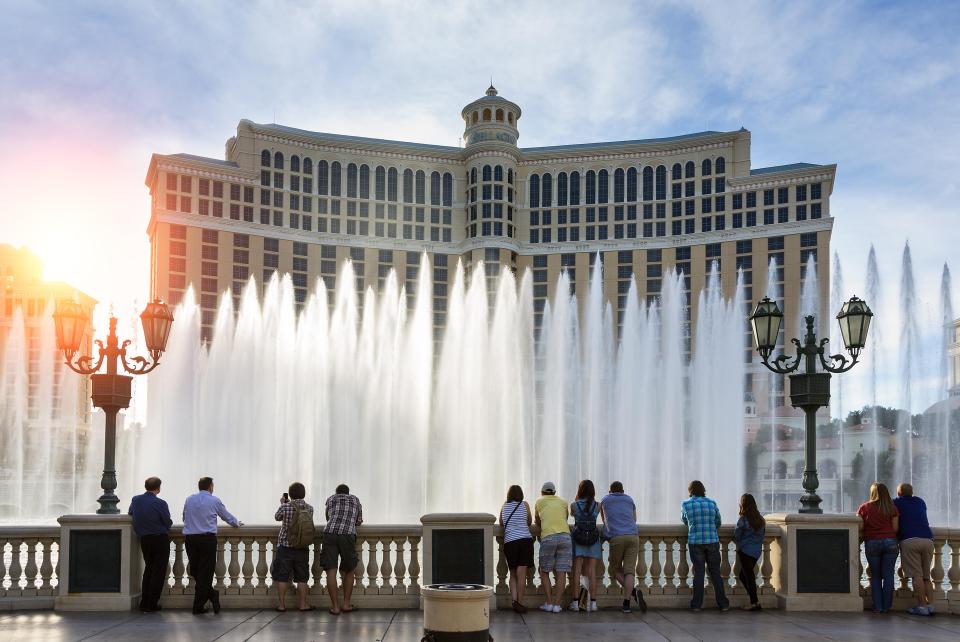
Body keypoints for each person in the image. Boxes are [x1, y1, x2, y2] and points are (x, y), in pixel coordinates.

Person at [183, 476, 242, 615]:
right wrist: (237, 523)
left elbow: (184, 517)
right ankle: (212, 595)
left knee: (196, 571)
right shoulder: (214, 500)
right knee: (204, 572)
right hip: (207, 539)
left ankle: (198, 606)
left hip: (190, 539)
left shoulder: (189, 499)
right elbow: (226, 516)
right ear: (210, 487)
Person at [681, 480, 729, 612]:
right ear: (703, 490)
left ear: (690, 491)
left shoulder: (686, 504)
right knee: (715, 573)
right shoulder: (712, 503)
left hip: (696, 542)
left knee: (699, 573)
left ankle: (696, 605)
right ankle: (723, 604)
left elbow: (685, 520)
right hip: (712, 541)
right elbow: (718, 521)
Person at [128, 476, 173, 613]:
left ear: (145, 486)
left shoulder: (136, 500)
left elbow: (131, 513)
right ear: (158, 488)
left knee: (148, 570)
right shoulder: (160, 503)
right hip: (160, 539)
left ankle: (144, 602)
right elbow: (167, 522)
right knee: (158, 572)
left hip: (145, 539)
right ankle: (152, 603)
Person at [600, 481, 646, 614]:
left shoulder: (605, 500)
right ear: (623, 491)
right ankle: (626, 604)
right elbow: (634, 519)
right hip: (633, 536)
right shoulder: (629, 499)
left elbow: (604, 520)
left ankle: (633, 592)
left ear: (610, 491)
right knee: (629, 571)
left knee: (614, 569)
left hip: (617, 537)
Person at [272, 482, 315, 612]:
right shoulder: (309, 508)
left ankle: (281, 605)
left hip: (285, 546)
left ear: (290, 494)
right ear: (304, 494)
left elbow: (277, 517)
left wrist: (283, 503)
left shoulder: (285, 507)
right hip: (302, 546)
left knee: (282, 576)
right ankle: (303, 604)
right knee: (302, 577)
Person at [320, 483, 363, 615]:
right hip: (347, 535)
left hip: (329, 533)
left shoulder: (331, 499)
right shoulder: (355, 500)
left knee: (331, 570)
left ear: (336, 492)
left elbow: (328, 517)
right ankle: (346, 604)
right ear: (348, 492)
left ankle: (335, 607)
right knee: (349, 569)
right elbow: (359, 521)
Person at [857, 482, 899, 614]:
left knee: (875, 576)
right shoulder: (892, 508)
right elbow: (896, 528)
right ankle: (887, 607)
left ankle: (878, 607)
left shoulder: (864, 507)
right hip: (890, 542)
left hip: (872, 542)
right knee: (888, 575)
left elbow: (860, 527)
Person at [893, 483, 934, 616]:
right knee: (926, 577)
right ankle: (931, 605)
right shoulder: (920, 501)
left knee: (917, 576)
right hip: (928, 540)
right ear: (912, 492)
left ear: (899, 493)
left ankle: (922, 606)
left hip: (910, 541)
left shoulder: (896, 502)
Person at [534, 481, 571, 614]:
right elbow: (565, 518)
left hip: (548, 537)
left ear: (542, 492)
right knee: (561, 572)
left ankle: (549, 603)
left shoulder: (539, 501)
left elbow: (537, 521)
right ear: (555, 492)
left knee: (544, 571)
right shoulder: (563, 501)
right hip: (565, 537)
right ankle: (557, 605)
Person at [499, 485, 534, 613]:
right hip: (525, 540)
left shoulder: (504, 506)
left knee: (513, 573)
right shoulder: (525, 505)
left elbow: (501, 523)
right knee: (522, 574)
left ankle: (514, 601)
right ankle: (520, 602)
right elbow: (529, 522)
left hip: (510, 542)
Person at [569, 479, 601, 612]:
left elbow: (572, 515)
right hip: (593, 539)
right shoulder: (598, 505)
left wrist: (577, 498)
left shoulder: (574, 505)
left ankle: (576, 602)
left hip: (578, 539)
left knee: (576, 570)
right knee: (592, 571)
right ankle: (593, 603)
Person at [733, 493, 765, 611]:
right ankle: (754, 600)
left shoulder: (743, 519)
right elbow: (762, 535)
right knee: (744, 575)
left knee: (749, 577)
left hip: (745, 551)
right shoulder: (760, 519)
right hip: (756, 552)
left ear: (743, 504)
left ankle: (754, 602)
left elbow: (737, 535)